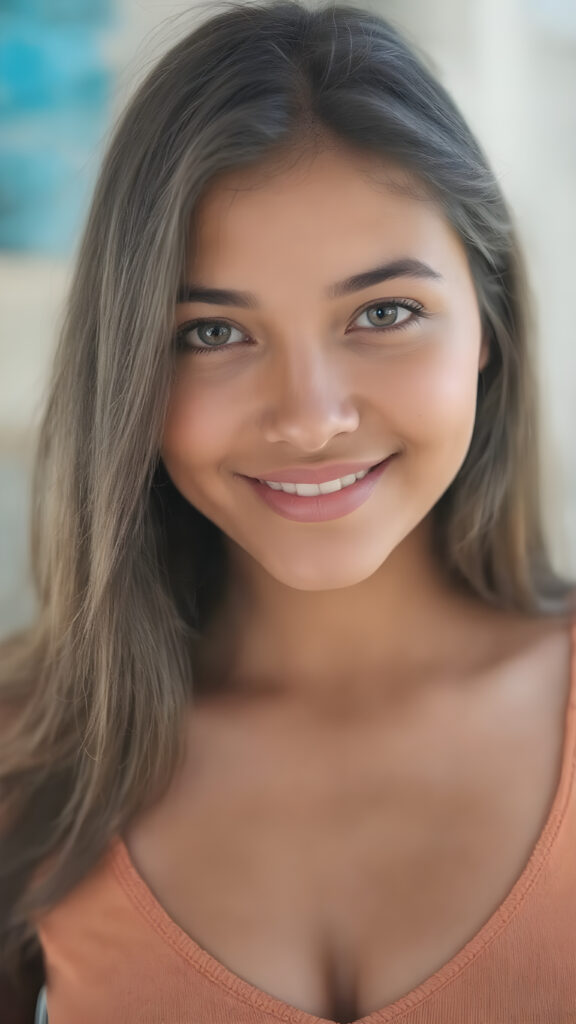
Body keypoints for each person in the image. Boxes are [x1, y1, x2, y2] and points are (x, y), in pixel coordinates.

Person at [1, 1, 575, 1021]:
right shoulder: (28, 755)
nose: (311, 418)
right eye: (213, 330)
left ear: (487, 327)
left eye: (385, 313)